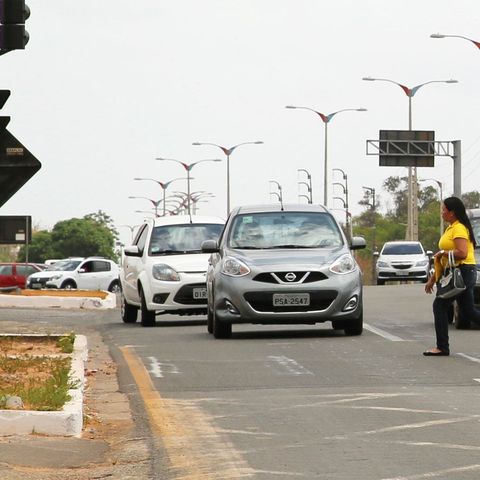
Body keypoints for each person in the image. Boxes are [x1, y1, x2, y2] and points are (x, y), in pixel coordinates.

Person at [423, 196, 480, 356]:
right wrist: (433, 279)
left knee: (439, 305)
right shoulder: (451, 228)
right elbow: (443, 260)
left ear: (452, 212)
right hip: (458, 272)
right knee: (468, 311)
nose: (441, 213)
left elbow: (462, 253)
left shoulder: (459, 228)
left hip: (463, 271)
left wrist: (443, 252)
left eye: (443, 209)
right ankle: (442, 346)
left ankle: (442, 347)